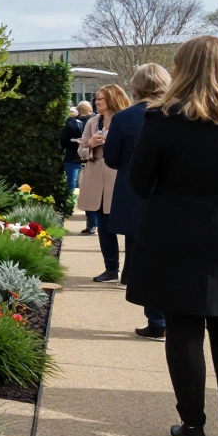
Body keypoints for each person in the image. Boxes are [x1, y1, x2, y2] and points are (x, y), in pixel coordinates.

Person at [124, 35, 218, 436]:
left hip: (177, 226)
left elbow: (139, 181)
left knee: (184, 325)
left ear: (183, 67)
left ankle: (193, 425)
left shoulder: (163, 117)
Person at [104, 64, 171, 340]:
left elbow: (112, 158)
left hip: (135, 194)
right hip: (174, 196)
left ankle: (157, 319)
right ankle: (171, 316)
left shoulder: (125, 118)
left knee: (144, 259)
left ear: (136, 86)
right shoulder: (182, 112)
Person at [78, 85, 130, 280]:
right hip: (96, 179)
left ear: (112, 98)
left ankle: (129, 271)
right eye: (96, 98)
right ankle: (111, 268)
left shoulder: (124, 119)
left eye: (101, 98)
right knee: (103, 225)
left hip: (118, 178)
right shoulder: (92, 121)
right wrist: (90, 145)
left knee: (126, 225)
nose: (97, 102)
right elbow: (81, 151)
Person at [67, 101, 97, 234]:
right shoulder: (93, 121)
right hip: (91, 160)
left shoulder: (75, 122)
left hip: (86, 160)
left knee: (78, 187)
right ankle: (93, 224)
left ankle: (92, 224)